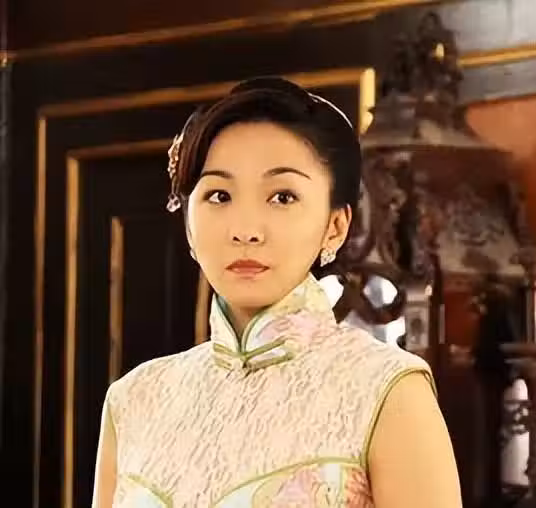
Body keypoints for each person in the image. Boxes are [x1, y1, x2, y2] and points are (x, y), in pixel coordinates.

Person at [91, 77, 461, 507]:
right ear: (189, 227)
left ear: (335, 226)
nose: (246, 230)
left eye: (283, 197)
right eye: (219, 195)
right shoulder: (135, 399)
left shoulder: (387, 389)